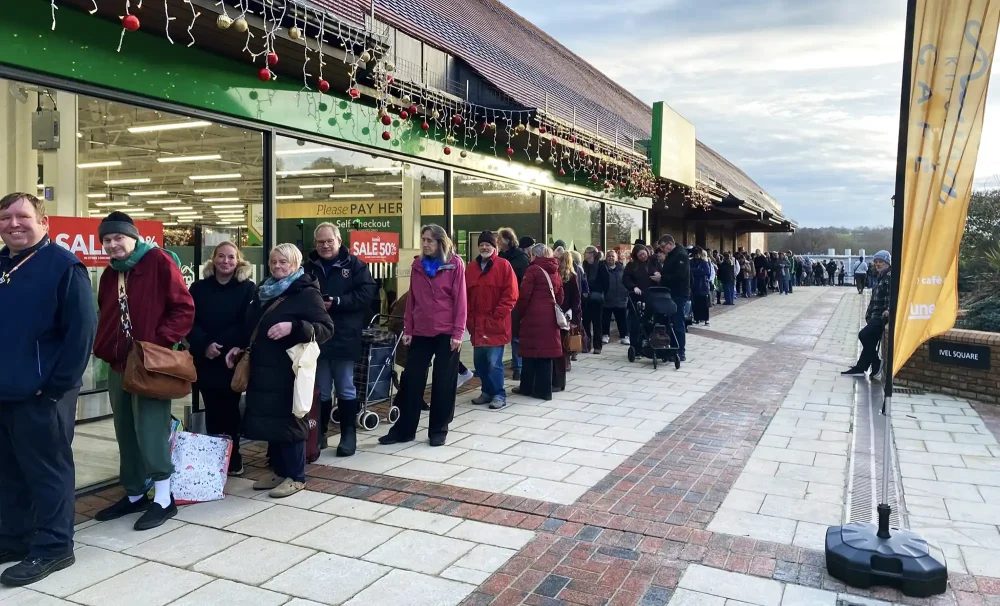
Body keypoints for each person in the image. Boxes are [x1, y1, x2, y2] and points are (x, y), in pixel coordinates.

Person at [0, 193, 96, 587]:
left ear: (44, 223)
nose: (13, 223)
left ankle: (55, 547)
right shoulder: (4, 264)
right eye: (5, 217)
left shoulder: (63, 266)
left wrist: (55, 389)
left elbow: (81, 333)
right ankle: (16, 538)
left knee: (47, 471)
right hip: (5, 391)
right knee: (9, 472)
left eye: (22, 216)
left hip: (42, 395)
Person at [92, 211, 194, 530]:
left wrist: (158, 343)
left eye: (117, 238)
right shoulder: (110, 275)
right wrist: (106, 348)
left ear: (133, 236)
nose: (112, 245)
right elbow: (105, 313)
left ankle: (164, 498)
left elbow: (184, 308)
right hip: (119, 364)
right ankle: (135, 493)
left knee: (150, 429)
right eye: (106, 240)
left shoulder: (159, 262)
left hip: (150, 362)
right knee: (125, 430)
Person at [225, 244, 333, 498]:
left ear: (295, 264)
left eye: (283, 262)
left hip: (289, 369)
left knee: (291, 420)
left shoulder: (306, 292)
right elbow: (252, 326)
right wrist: (239, 348)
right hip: (263, 368)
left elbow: (326, 329)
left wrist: (294, 327)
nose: (277, 267)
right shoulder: (264, 290)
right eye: (273, 262)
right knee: (271, 420)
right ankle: (279, 470)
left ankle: (296, 476)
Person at [380, 225, 466, 447]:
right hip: (420, 331)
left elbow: (460, 301)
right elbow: (412, 300)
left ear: (440, 242)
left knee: (443, 382)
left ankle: (439, 429)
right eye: (423, 239)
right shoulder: (418, 265)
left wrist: (458, 332)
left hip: (447, 332)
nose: (426, 243)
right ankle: (403, 430)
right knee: (411, 381)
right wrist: (408, 328)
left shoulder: (454, 264)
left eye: (430, 240)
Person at [304, 223, 377, 458]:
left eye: (329, 241)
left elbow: (367, 294)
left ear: (339, 241)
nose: (325, 246)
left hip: (345, 334)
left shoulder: (355, 265)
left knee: (345, 385)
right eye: (320, 242)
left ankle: (348, 435)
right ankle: (321, 434)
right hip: (318, 337)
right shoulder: (308, 267)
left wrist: (337, 302)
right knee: (321, 389)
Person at [188, 242, 255, 476]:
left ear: (238, 261)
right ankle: (217, 456)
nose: (226, 261)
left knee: (231, 410)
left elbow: (248, 323)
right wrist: (205, 344)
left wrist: (228, 345)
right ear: (213, 259)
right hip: (206, 359)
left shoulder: (247, 288)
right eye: (221, 256)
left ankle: (234, 456)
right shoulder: (198, 288)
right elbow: (189, 320)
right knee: (212, 410)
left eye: (231, 257)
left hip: (232, 359)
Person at [466, 230, 518, 410]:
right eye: (481, 244)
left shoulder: (504, 266)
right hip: (477, 324)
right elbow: (465, 295)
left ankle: (499, 394)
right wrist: (468, 319)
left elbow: (511, 294)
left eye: (487, 244)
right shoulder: (471, 268)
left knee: (493, 363)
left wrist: (497, 315)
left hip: (496, 324)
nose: (484, 247)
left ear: (494, 246)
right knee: (479, 362)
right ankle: (487, 391)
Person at [513, 243, 563, 400]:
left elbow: (524, 296)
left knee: (529, 353)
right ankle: (543, 390)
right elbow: (560, 296)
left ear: (535, 255)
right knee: (545, 354)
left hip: (533, 316)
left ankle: (528, 387)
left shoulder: (533, 269)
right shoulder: (555, 270)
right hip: (550, 318)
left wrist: (519, 313)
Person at [843, 251, 892, 378]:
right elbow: (874, 297)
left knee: (863, 335)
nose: (878, 264)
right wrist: (868, 313)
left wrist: (889, 309)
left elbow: (893, 295)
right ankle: (861, 367)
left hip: (882, 315)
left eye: (881, 262)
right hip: (874, 315)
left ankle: (876, 362)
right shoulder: (880, 276)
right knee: (870, 340)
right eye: (876, 262)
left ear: (887, 262)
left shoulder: (890, 276)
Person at [499, 228, 530, 381]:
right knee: (499, 334)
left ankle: (518, 367)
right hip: (499, 301)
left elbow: (524, 281)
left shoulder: (521, 257)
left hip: (515, 301)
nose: (498, 241)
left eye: (500, 239)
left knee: (516, 336)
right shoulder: (499, 256)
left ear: (508, 240)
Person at [657, 235, 691, 361]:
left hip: (679, 293)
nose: (662, 249)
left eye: (663, 246)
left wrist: (662, 278)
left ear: (670, 243)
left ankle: (680, 351)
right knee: (670, 321)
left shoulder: (681, 255)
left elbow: (680, 275)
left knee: (677, 322)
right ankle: (672, 349)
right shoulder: (672, 255)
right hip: (671, 292)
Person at [554, 251, 581, 391]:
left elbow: (576, 298)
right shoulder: (562, 275)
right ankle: (565, 361)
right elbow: (576, 298)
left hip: (563, 312)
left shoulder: (570, 277)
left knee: (563, 339)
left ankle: (566, 361)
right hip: (562, 311)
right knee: (562, 338)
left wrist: (575, 316)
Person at [582, 246, 609, 354]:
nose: (585, 254)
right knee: (586, 322)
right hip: (585, 298)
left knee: (597, 322)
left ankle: (597, 346)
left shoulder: (601, 266)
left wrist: (602, 294)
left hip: (596, 298)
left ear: (592, 254)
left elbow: (606, 282)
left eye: (586, 252)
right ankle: (586, 345)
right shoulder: (584, 264)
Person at [601, 249, 628, 345]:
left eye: (613, 256)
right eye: (608, 256)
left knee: (622, 319)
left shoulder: (622, 269)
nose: (611, 258)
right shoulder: (602, 268)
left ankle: (624, 336)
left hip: (620, 298)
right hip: (607, 299)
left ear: (616, 258)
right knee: (605, 319)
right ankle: (605, 335)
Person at [690, 248, 712, 326]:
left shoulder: (704, 262)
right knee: (696, 304)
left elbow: (707, 272)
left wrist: (696, 271)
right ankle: (697, 319)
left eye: (698, 254)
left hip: (703, 286)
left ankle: (706, 319)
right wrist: (699, 270)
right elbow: (689, 271)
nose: (697, 255)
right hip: (694, 285)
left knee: (704, 304)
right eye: (695, 254)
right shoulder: (691, 262)